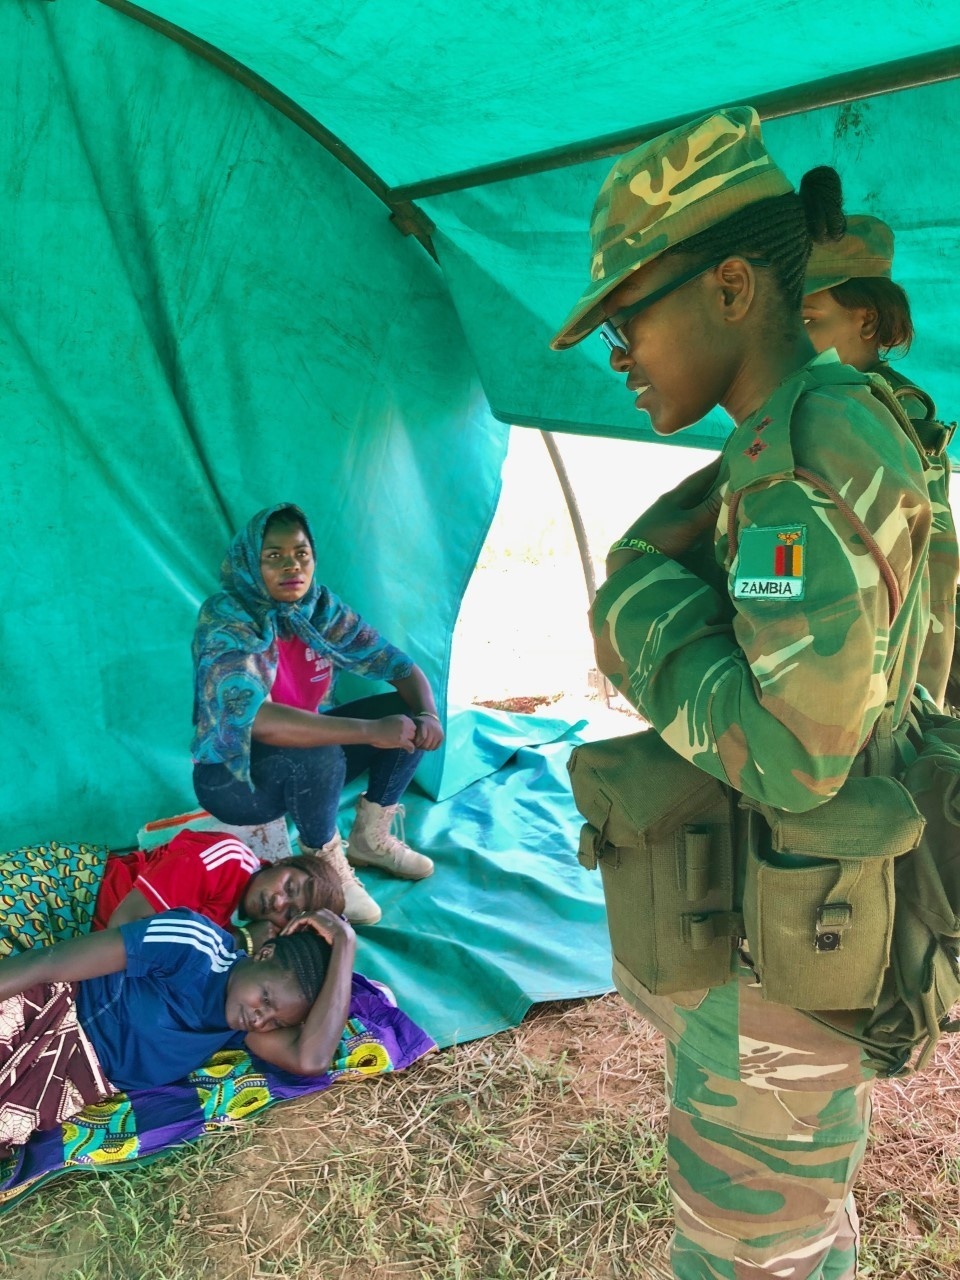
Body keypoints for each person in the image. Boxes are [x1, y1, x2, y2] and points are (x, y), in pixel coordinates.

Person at [551, 107, 937, 1277]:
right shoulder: (830, 422)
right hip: (815, 924)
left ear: (729, 288)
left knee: (744, 1247)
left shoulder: (791, 471)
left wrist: (633, 613)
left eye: (628, 322)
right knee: (797, 1229)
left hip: (787, 961)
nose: (619, 358)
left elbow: (789, 754)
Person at [191, 503, 445, 927]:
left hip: (307, 761)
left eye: (301, 553)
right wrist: (368, 731)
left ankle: (368, 839)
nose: (292, 565)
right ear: (250, 563)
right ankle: (323, 863)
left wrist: (428, 716)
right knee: (324, 748)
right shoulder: (226, 620)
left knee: (407, 716)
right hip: (232, 777)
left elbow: (398, 665)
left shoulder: (319, 609)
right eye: (273, 555)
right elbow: (256, 718)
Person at [0, 906, 355, 1159]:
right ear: (263, 955)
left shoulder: (235, 1028)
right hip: (50, 1011)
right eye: (265, 998)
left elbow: (310, 1059)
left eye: (276, 1023)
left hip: (70, 1079)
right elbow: (47, 962)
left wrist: (345, 945)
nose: (259, 1019)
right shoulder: (192, 944)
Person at [802, 215, 958, 709]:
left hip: (883, 686)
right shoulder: (818, 402)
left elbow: (933, 574)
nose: (791, 339)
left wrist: (921, 699)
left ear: (866, 321)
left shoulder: (891, 416)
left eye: (808, 320)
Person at [91, 828, 344, 953]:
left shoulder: (247, 933)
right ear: (283, 862)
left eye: (289, 914)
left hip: (90, 937)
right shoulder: (227, 861)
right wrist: (235, 942)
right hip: (78, 895)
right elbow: (123, 927)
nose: (278, 902)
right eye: (289, 887)